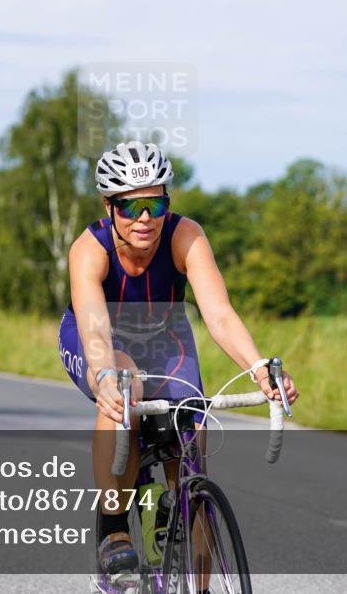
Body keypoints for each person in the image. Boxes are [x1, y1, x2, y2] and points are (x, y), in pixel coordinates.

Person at [59, 141, 299, 576]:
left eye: (156, 204)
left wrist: (259, 367)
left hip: (165, 337)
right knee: (123, 389)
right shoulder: (88, 249)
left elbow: (219, 314)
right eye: (132, 208)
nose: (146, 218)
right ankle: (114, 528)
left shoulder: (186, 236)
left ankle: (195, 565)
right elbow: (95, 329)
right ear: (109, 207)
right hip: (99, 340)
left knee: (191, 447)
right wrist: (104, 378)